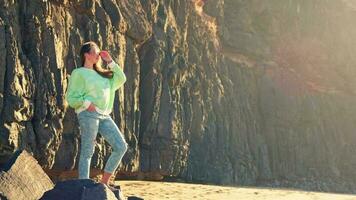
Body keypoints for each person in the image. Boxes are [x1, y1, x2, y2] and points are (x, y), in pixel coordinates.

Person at [65, 41, 128, 185]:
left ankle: (104, 183)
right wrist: (87, 104)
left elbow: (122, 78)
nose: (98, 54)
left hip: (104, 115)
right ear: (86, 54)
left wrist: (110, 61)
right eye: (95, 51)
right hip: (88, 114)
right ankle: (83, 184)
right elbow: (71, 96)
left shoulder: (103, 75)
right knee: (88, 150)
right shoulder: (79, 73)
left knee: (121, 146)